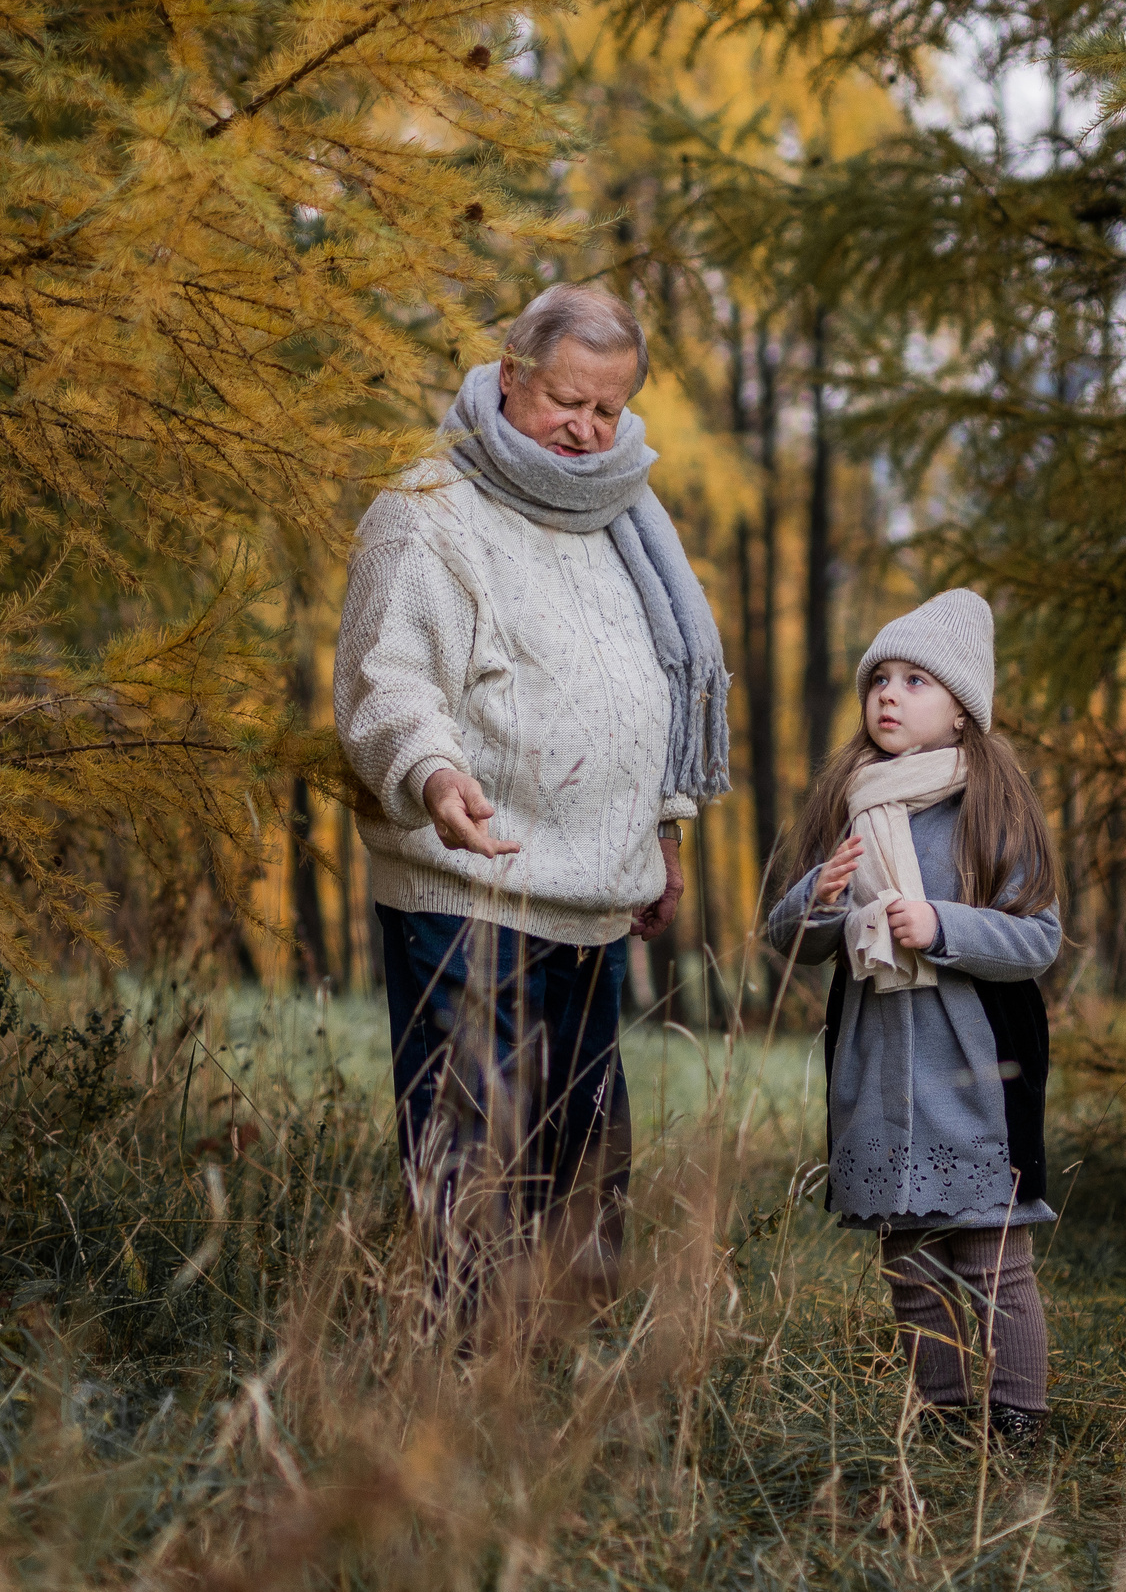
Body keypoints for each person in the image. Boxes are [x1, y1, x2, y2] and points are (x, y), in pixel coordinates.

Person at [333, 283, 731, 1292]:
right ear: (511, 373)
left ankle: (559, 1365)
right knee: (481, 1158)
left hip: (594, 898)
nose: (586, 429)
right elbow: (387, 681)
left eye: (608, 408)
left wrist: (664, 830)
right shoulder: (427, 510)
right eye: (565, 400)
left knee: (583, 1163)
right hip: (471, 888)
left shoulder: (621, 514)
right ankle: (463, 1364)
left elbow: (648, 687)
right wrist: (432, 775)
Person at [763, 589, 1062, 1451]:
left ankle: (1018, 1420)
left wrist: (942, 924)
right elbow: (789, 939)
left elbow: (1038, 939)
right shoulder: (855, 804)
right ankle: (943, 1415)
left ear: (962, 710)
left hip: (972, 1073)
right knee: (912, 1261)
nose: (888, 693)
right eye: (879, 679)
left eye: (915, 680)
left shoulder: (990, 807)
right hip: (880, 1073)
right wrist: (818, 895)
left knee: (992, 1259)